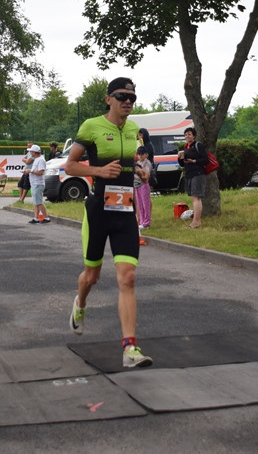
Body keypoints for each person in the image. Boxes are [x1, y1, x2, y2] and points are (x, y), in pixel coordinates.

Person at [66, 76, 152, 369]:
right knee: (92, 277)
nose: (127, 101)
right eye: (121, 96)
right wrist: (100, 171)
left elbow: (130, 162)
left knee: (128, 277)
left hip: (125, 211)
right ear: (108, 99)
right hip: (98, 211)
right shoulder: (91, 126)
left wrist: (139, 171)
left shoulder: (133, 129)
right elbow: (70, 165)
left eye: (132, 97)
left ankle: (130, 349)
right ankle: (80, 304)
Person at [178, 126, 208, 228]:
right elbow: (182, 164)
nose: (187, 136)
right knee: (193, 197)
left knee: (196, 197)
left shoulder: (198, 145)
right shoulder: (185, 147)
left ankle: (196, 221)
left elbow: (205, 160)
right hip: (189, 174)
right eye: (185, 134)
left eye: (189, 134)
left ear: (194, 136)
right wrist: (180, 159)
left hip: (198, 173)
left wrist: (194, 161)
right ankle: (196, 220)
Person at [27, 145, 50, 223]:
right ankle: (36, 218)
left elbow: (40, 172)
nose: (30, 152)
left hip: (38, 183)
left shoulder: (40, 160)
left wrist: (31, 171)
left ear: (34, 152)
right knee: (36, 202)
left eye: (31, 151)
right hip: (35, 183)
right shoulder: (36, 159)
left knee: (39, 202)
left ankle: (46, 217)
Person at [134, 145, 152, 231]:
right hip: (136, 185)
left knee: (146, 204)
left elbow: (146, 174)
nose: (140, 156)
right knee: (139, 204)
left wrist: (140, 175)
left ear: (146, 154)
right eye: (139, 154)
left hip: (143, 185)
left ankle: (146, 222)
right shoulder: (138, 163)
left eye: (142, 154)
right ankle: (141, 221)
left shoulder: (146, 163)